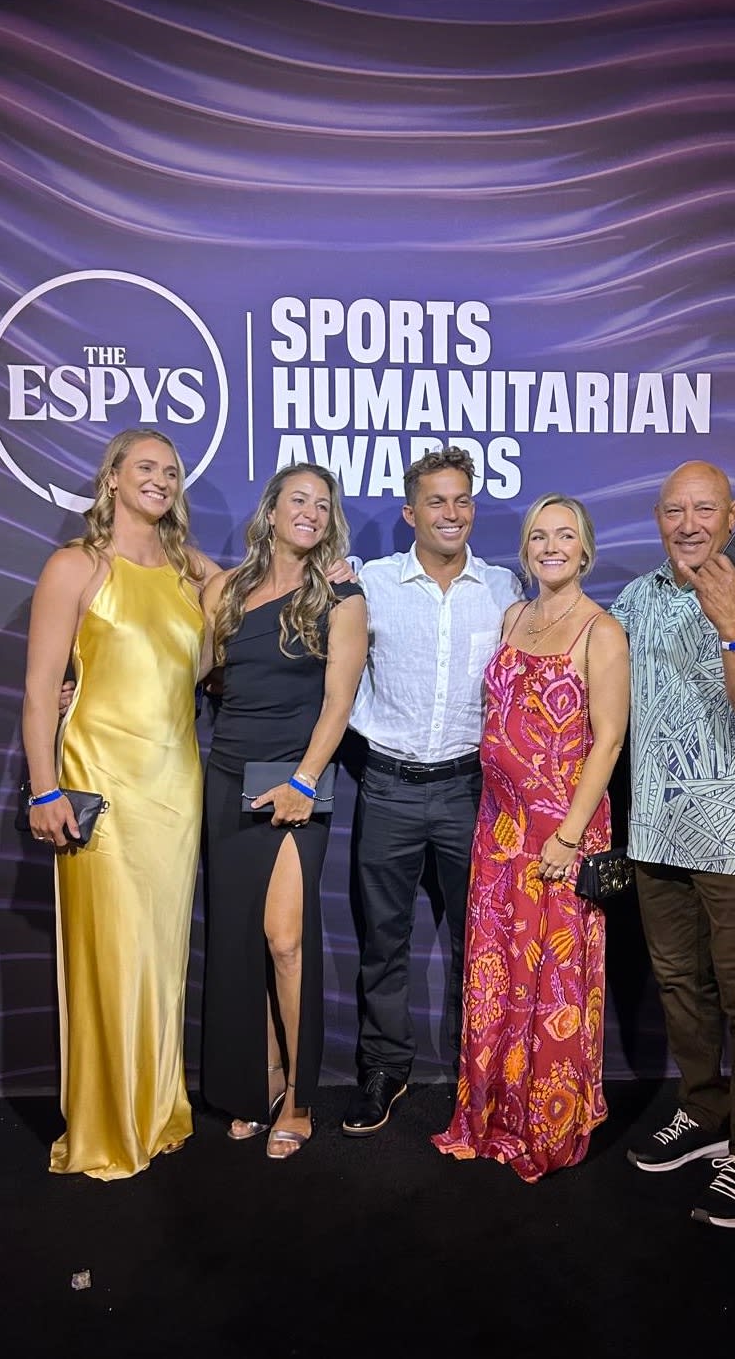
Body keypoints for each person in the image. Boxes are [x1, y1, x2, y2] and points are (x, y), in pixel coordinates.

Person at [22, 428, 219, 1179]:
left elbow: (247, 596)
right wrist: (45, 787)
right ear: (112, 477)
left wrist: (320, 569)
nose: (160, 480)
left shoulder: (188, 570)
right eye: (145, 467)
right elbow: (40, 689)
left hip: (175, 787)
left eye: (170, 471)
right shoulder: (75, 565)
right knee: (108, 955)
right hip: (98, 784)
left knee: (161, 957)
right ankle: (106, 1125)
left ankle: (157, 1110)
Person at [431, 494, 630, 1180]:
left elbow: (608, 741)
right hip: (499, 830)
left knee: (552, 983)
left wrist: (568, 837)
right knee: (499, 975)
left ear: (585, 550)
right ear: (525, 550)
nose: (551, 547)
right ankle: (492, 1114)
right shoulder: (513, 616)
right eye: (539, 536)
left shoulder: (600, 631)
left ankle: (546, 1122)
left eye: (564, 536)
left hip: (560, 834)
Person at [613, 460, 735, 1229]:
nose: (687, 524)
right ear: (656, 517)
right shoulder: (635, 598)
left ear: (732, 514)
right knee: (680, 984)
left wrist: (731, 625)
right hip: (655, 830)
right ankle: (703, 1109)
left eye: (703, 509)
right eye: (673, 510)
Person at [341, 446, 522, 1137]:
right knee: (382, 940)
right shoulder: (371, 582)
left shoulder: (503, 588)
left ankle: (480, 1071)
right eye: (436, 501)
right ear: (410, 512)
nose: (451, 512)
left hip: (470, 790)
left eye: (461, 500)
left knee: (479, 942)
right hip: (386, 785)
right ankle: (384, 1068)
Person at [199, 462, 367, 1159]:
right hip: (227, 775)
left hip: (297, 777)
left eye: (322, 505)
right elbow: (192, 673)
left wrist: (304, 778)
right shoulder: (224, 591)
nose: (310, 512)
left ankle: (299, 1096)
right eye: (298, 500)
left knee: (285, 940)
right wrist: (77, 690)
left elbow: (339, 702)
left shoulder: (342, 596)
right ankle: (260, 1080)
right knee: (239, 940)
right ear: (270, 511)